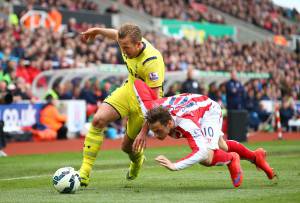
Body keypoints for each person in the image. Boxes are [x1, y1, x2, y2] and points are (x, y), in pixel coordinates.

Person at [133, 79, 276, 183]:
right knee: (222, 146)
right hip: (193, 106)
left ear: (170, 123)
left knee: (206, 157)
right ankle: (256, 157)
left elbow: (200, 152)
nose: (156, 135)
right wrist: (143, 131)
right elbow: (136, 82)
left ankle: (232, 158)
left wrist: (174, 166)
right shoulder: (151, 108)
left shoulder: (186, 124)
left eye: (158, 131)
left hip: (208, 111)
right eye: (154, 131)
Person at [79, 23, 165, 186]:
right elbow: (114, 34)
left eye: (126, 47)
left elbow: (154, 101)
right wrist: (97, 31)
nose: (123, 51)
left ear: (138, 44)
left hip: (146, 102)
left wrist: (144, 131)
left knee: (127, 147)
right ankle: (84, 172)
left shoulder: (152, 60)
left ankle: (137, 160)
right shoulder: (126, 41)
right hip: (128, 90)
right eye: (121, 46)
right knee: (98, 120)